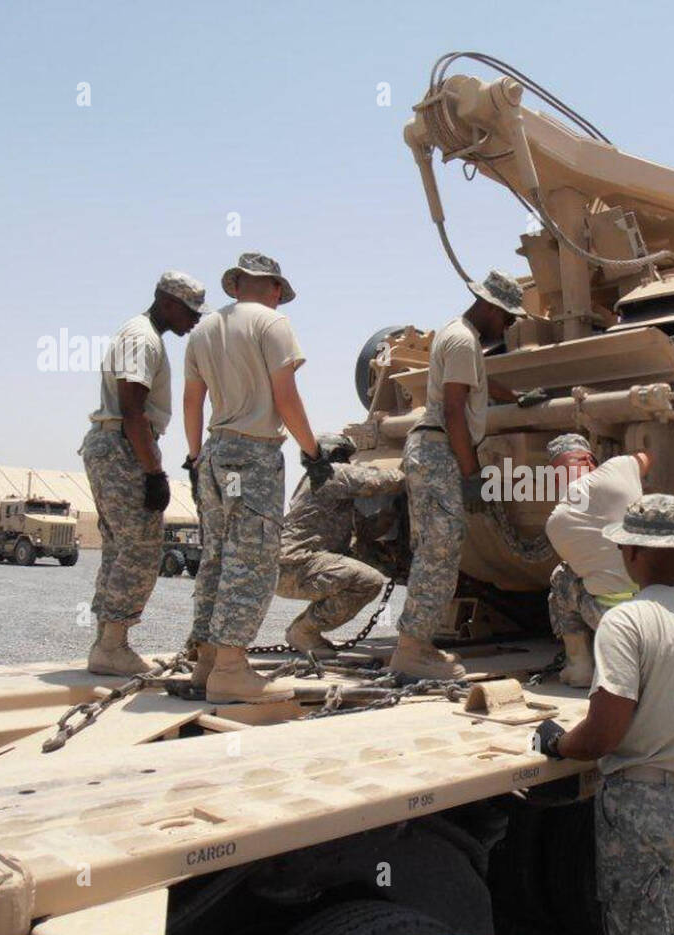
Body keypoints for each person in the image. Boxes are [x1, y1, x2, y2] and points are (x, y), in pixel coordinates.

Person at [535, 494, 674, 935]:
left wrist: (557, 741)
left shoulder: (626, 621)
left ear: (631, 552)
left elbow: (604, 734)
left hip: (648, 809)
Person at [183, 252, 323, 704]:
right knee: (252, 563)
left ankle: (205, 664)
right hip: (253, 457)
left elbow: (192, 402)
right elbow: (286, 397)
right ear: (276, 289)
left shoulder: (204, 329)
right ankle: (230, 669)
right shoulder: (272, 325)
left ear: (237, 284)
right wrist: (313, 450)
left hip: (214, 454)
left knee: (218, 559)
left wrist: (193, 457)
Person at [389, 269, 533, 680]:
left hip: (436, 450)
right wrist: (471, 474)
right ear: (488, 306)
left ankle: (415, 645)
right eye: (506, 317)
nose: (507, 325)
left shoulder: (461, 338)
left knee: (440, 547)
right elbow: (454, 408)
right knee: (439, 549)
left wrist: (517, 397)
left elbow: (476, 385)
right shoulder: (462, 340)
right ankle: (413, 649)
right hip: (438, 450)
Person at [81, 270, 206, 675]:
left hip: (115, 443)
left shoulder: (143, 335)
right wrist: (154, 472)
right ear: (168, 303)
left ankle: (108, 643)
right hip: (124, 444)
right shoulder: (142, 338)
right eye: (190, 311)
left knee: (120, 548)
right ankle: (112, 645)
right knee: (141, 549)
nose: (195, 320)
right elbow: (133, 410)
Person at [276, 433, 404, 654]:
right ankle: (304, 631)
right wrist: (418, 469)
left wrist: (389, 516)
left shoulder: (318, 480)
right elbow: (391, 481)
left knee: (365, 567)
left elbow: (365, 532)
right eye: (345, 455)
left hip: (291, 567)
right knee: (369, 581)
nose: (348, 461)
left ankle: (304, 631)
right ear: (335, 455)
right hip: (297, 566)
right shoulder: (332, 474)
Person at [543, 433, 649, 686]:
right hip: (653, 607)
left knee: (563, 576)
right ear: (589, 460)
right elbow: (646, 458)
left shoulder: (556, 521)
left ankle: (579, 666)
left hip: (607, 617)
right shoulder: (617, 469)